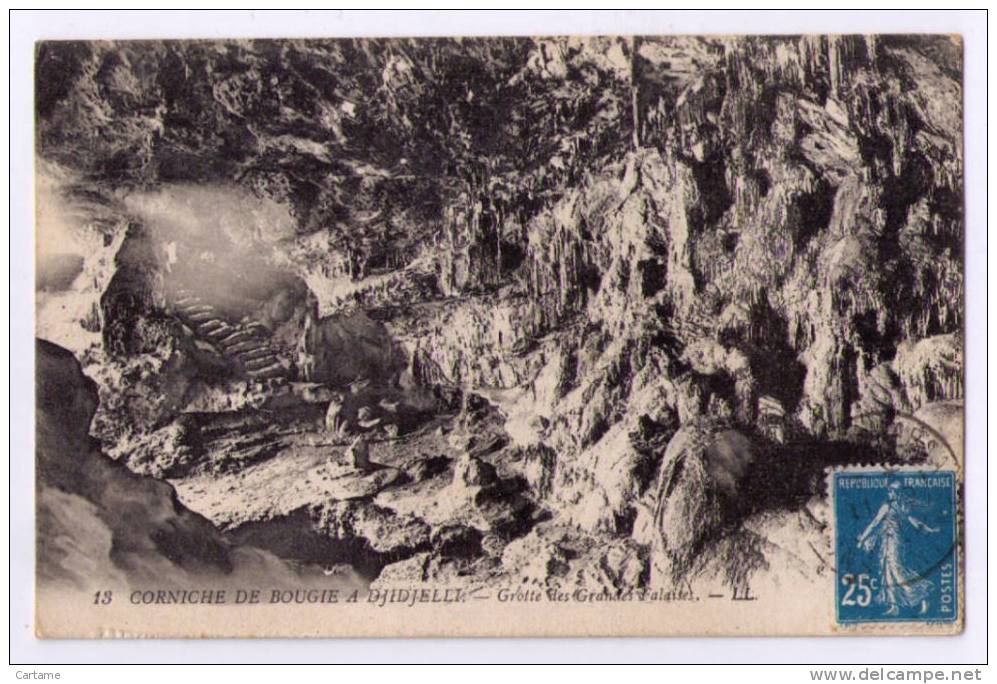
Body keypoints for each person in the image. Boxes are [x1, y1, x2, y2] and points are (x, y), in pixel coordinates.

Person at [857, 482, 939, 616]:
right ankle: (893, 606)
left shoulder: (889, 506)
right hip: (890, 541)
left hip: (893, 542)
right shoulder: (902, 506)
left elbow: (874, 524)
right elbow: (914, 522)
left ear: (895, 493)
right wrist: (928, 528)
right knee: (887, 570)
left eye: (890, 491)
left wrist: (862, 539)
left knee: (896, 570)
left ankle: (923, 595)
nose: (888, 493)